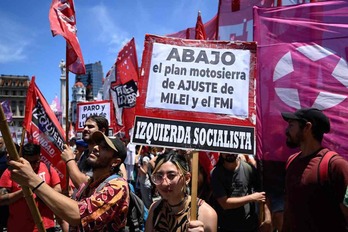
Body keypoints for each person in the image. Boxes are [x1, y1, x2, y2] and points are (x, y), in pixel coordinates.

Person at [9, 131, 129, 231]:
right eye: (98, 144)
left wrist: (33, 180)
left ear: (115, 162)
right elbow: (67, 214)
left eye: (104, 147)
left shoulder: (117, 186)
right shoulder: (89, 184)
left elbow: (77, 214)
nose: (96, 148)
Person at [281, 108, 348, 231]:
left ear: (307, 127)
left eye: (291, 125)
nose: (286, 131)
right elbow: (289, 209)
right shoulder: (291, 162)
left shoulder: (336, 165)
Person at [146, 150, 218, 232]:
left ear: (187, 178)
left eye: (171, 176)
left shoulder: (206, 214)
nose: (164, 183)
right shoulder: (155, 209)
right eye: (159, 176)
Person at [0, 143, 61, 232]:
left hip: (45, 226)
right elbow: (2, 199)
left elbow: (58, 190)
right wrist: (24, 192)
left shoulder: (48, 169)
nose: (33, 165)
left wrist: (41, 191)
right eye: (30, 162)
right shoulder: (12, 172)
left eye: (36, 161)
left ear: (39, 157)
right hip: (18, 227)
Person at [211, 152, 271, 232]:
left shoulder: (248, 169)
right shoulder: (216, 173)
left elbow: (262, 194)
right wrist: (251, 198)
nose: (229, 153)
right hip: (226, 227)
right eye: (226, 151)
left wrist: (267, 218)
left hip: (249, 226)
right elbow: (225, 203)